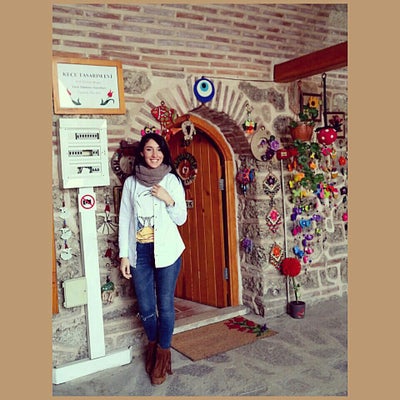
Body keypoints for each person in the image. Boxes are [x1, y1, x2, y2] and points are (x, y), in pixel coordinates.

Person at [118, 132, 187, 385]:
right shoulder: (131, 183)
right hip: (140, 253)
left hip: (167, 252)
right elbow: (124, 219)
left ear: (164, 153)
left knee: (165, 305)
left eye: (158, 149)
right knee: (146, 308)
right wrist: (124, 255)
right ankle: (153, 347)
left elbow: (181, 218)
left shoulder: (171, 180)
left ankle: (161, 359)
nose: (154, 154)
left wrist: (168, 199)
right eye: (149, 149)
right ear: (142, 153)